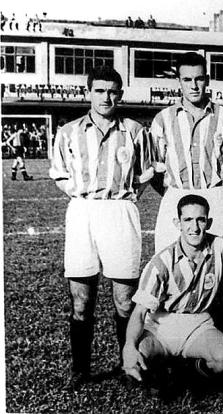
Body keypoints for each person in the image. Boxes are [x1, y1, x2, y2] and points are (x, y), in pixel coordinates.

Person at [48, 66, 154, 390]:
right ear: (88, 92)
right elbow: (59, 173)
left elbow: (145, 174)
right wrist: (82, 194)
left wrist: (121, 197)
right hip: (82, 212)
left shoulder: (135, 130)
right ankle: (80, 370)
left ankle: (129, 364)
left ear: (120, 94)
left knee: (125, 300)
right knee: (81, 301)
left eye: (112, 91)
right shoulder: (68, 132)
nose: (106, 97)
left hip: (120, 211)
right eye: (99, 90)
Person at [122, 195, 223, 393]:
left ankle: (188, 371)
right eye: (188, 220)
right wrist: (129, 346)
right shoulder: (162, 262)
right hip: (161, 325)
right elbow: (139, 312)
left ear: (208, 222)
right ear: (178, 223)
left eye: (200, 220)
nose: (195, 227)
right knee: (138, 364)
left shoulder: (221, 248)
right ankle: (165, 368)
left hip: (197, 323)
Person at [151, 52, 223, 254]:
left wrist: (215, 189)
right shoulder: (163, 119)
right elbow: (154, 169)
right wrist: (173, 191)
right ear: (179, 81)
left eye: (199, 79)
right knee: (172, 264)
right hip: (175, 197)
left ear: (207, 80)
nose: (193, 86)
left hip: (214, 198)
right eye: (187, 79)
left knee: (216, 262)